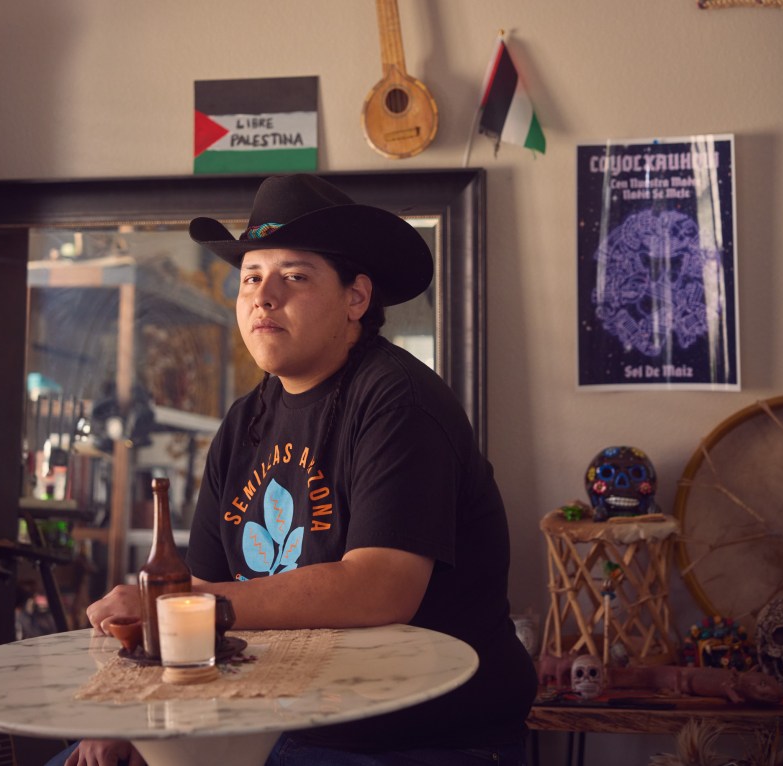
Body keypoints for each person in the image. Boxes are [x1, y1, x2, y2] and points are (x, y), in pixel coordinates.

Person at [56, 174, 536, 766]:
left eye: (295, 276)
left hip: (418, 736)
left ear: (356, 298)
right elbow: (206, 590)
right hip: (279, 720)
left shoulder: (397, 400)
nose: (263, 295)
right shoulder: (242, 423)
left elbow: (379, 589)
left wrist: (197, 604)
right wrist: (132, 719)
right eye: (251, 277)